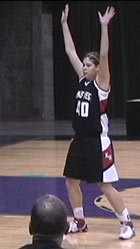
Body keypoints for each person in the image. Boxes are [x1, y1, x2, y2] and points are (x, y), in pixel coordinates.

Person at [61, 4, 135, 239]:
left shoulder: (101, 85)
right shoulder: (82, 80)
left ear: (98, 69)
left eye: (88, 64)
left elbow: (104, 54)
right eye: (84, 64)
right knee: (71, 181)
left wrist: (104, 27)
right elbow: (70, 50)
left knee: (105, 185)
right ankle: (80, 220)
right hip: (79, 140)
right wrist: (64, 24)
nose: (84, 66)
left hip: (97, 142)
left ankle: (127, 222)